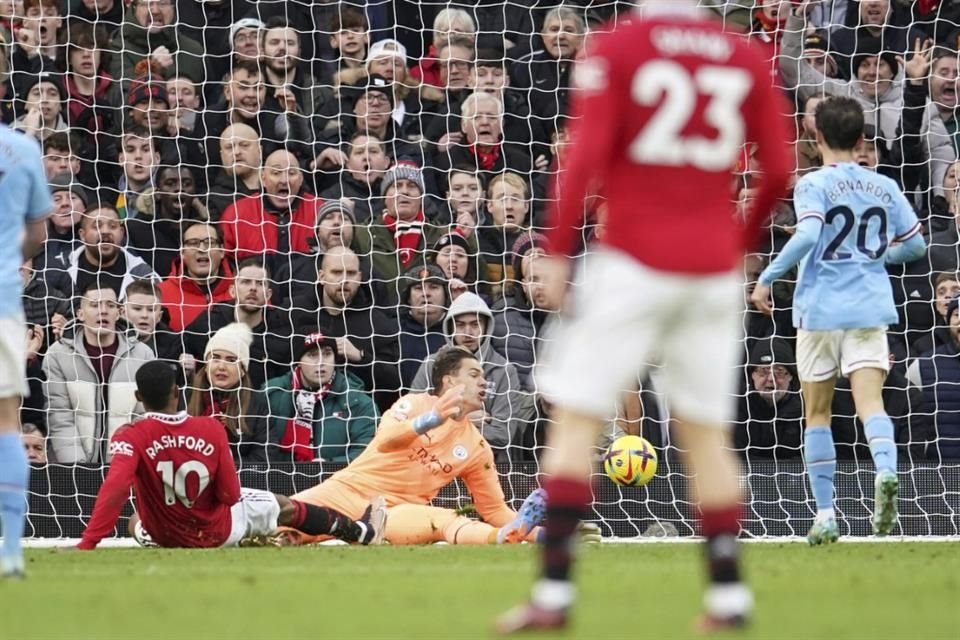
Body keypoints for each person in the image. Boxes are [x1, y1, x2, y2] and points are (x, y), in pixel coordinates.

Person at [496, 1, 793, 632]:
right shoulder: (744, 53)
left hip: (632, 259)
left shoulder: (619, 44)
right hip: (712, 266)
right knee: (705, 435)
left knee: (576, 418)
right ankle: (728, 598)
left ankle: (553, 594)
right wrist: (742, 245)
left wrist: (556, 247)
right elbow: (781, 168)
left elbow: (583, 157)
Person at [752, 96, 927, 545]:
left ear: (817, 135)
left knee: (818, 413)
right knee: (871, 404)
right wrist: (874, 257)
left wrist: (768, 276)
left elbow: (809, 233)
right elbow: (916, 247)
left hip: (821, 310)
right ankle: (886, 470)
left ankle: (826, 514)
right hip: (869, 306)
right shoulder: (883, 185)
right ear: (861, 138)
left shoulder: (813, 184)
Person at [77, 360, 387, 550]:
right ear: (176, 392)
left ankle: (253, 537)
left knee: (135, 520)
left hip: (166, 536)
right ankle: (361, 532)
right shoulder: (210, 429)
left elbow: (115, 487)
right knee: (281, 505)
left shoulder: (129, 435)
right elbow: (229, 494)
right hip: (218, 533)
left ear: (138, 398)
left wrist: (89, 542)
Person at [286, 346, 547, 546]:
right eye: (474, 374)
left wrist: (541, 533)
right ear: (450, 382)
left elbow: (492, 508)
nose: (484, 382)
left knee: (444, 520)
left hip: (396, 512)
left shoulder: (477, 447)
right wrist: (430, 420)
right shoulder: (414, 404)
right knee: (281, 520)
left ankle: (502, 537)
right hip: (347, 491)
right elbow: (386, 441)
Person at [0, 122, 52, 579]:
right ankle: (11, 550)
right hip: (2, 303)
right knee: (7, 421)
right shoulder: (20, 148)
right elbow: (37, 234)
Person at [44, 284, 153, 464]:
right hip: (71, 469)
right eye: (94, 305)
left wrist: (124, 464)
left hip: (125, 466)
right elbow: (59, 417)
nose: (103, 311)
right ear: (80, 314)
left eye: (110, 305)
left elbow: (143, 417)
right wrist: (77, 468)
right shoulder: (57, 354)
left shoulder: (143, 355)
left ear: (119, 313)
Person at [265, 331, 377, 463]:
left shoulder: (357, 402)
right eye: (312, 355)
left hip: (338, 481)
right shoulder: (270, 394)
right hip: (280, 480)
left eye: (327, 354)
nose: (321, 362)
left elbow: (367, 453)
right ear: (298, 361)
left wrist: (329, 465)